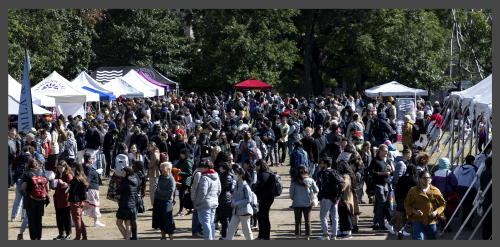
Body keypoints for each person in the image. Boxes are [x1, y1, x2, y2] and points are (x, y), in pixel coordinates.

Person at [404, 170, 446, 240]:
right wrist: (415, 212)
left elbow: (442, 205)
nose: (427, 180)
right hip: (417, 221)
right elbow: (407, 205)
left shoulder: (435, 190)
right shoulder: (413, 190)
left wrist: (436, 212)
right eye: (424, 178)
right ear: (419, 179)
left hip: (431, 222)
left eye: (428, 178)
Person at [385, 164, 418, 237]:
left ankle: (390, 224)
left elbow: (397, 190)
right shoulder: (414, 181)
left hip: (400, 198)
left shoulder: (401, 178)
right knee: (404, 216)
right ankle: (399, 231)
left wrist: (396, 199)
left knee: (401, 214)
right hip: (409, 200)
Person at [316, 157, 344, 240]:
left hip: (328, 198)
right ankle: (334, 235)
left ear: (325, 164)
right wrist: (338, 197)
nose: (321, 164)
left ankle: (325, 235)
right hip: (335, 198)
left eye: (322, 163)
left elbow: (327, 188)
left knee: (323, 215)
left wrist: (333, 198)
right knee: (334, 217)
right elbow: (341, 184)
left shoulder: (325, 174)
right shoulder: (335, 171)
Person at [193, 160, 221, 240]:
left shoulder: (204, 177)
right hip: (213, 203)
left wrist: (196, 202)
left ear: (206, 168)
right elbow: (219, 190)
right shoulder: (216, 176)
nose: (200, 169)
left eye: (202, 167)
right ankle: (211, 239)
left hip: (205, 204)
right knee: (211, 222)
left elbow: (202, 193)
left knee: (206, 223)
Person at [289, 165, 319, 240]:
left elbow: (291, 193)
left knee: (297, 221)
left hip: (297, 203)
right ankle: (307, 237)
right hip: (307, 203)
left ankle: (297, 237)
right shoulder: (310, 180)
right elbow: (316, 190)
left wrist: (294, 199)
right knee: (308, 220)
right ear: (306, 171)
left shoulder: (294, 181)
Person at [368, 144, 393, 230]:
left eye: (387, 151)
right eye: (385, 151)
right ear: (380, 151)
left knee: (383, 204)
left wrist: (390, 169)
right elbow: (371, 172)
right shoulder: (375, 160)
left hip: (386, 184)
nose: (387, 152)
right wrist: (382, 173)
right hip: (377, 184)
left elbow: (392, 173)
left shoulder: (388, 160)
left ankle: (377, 223)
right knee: (382, 203)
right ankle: (382, 224)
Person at [226, 167, 254, 240]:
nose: (234, 176)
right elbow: (234, 196)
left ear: (241, 175)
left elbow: (248, 199)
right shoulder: (236, 185)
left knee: (246, 231)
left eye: (236, 174)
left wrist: (235, 204)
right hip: (236, 211)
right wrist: (233, 202)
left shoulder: (245, 186)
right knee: (230, 229)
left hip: (244, 212)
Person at [431, 157, 458, 232]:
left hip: (437, 195)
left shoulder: (435, 173)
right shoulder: (449, 173)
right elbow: (455, 183)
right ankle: (447, 225)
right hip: (448, 195)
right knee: (448, 210)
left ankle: (442, 226)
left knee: (440, 210)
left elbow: (432, 184)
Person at [336, 160, 359, 239]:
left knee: (346, 216)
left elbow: (343, 186)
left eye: (340, 167)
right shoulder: (345, 175)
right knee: (342, 216)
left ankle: (348, 232)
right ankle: (343, 230)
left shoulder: (346, 176)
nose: (338, 168)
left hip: (345, 200)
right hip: (342, 200)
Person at [456, 155, 479, 230]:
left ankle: (463, 222)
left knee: (464, 207)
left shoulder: (461, 168)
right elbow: (476, 182)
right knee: (470, 208)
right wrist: (478, 190)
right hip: (470, 190)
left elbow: (457, 178)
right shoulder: (474, 169)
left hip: (461, 189)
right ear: (472, 161)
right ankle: (467, 224)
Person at [81, 153, 105, 227]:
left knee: (84, 205)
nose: (93, 160)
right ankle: (96, 221)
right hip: (92, 190)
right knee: (95, 205)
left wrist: (96, 172)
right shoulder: (89, 168)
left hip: (89, 189)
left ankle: (74, 220)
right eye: (92, 158)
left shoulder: (85, 166)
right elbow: (88, 180)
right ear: (89, 159)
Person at [115, 166, 138, 240]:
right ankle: (128, 240)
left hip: (125, 205)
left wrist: (116, 192)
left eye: (123, 172)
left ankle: (127, 239)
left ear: (127, 173)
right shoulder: (135, 179)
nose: (122, 173)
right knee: (128, 224)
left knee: (119, 223)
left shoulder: (125, 181)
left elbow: (118, 191)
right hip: (132, 205)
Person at [254, 159, 275, 240]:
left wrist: (253, 186)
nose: (256, 168)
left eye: (257, 166)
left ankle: (266, 237)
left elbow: (258, 187)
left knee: (264, 217)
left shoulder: (264, 175)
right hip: (267, 198)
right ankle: (261, 235)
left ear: (260, 166)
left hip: (264, 199)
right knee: (260, 217)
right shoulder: (269, 172)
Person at [67, 162, 89, 240]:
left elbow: (72, 191)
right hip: (81, 201)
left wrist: (69, 187)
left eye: (73, 167)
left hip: (75, 201)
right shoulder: (83, 177)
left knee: (77, 220)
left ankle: (78, 237)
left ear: (75, 168)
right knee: (79, 219)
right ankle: (84, 237)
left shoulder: (76, 178)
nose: (72, 168)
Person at [174, 148, 194, 217]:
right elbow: (176, 166)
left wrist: (180, 172)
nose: (180, 155)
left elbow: (189, 173)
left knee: (182, 196)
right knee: (182, 196)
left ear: (185, 154)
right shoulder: (182, 160)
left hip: (185, 181)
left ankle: (181, 211)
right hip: (181, 180)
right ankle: (190, 209)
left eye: (181, 154)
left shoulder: (188, 162)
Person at [216, 162, 233, 240]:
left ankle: (225, 236)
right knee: (223, 219)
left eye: (221, 167)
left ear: (225, 169)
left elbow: (222, 189)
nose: (219, 168)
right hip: (223, 198)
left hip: (225, 199)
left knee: (225, 219)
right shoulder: (224, 176)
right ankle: (224, 235)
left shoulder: (227, 177)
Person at [190, 161, 204, 238]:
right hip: (196, 197)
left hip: (196, 196)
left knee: (198, 215)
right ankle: (195, 231)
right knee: (196, 215)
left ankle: (199, 230)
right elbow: (197, 187)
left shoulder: (197, 171)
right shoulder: (198, 174)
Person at [480, 157, 492, 240]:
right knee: (490, 220)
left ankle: (485, 236)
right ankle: (489, 236)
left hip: (485, 199)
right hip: (489, 199)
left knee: (486, 219)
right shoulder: (490, 174)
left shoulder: (483, 173)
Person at [147, 142, 161, 209]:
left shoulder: (154, 154)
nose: (148, 147)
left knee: (153, 190)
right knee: (155, 189)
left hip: (154, 173)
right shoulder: (157, 152)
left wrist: (148, 163)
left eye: (149, 146)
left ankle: (154, 205)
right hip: (157, 173)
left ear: (153, 146)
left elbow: (150, 165)